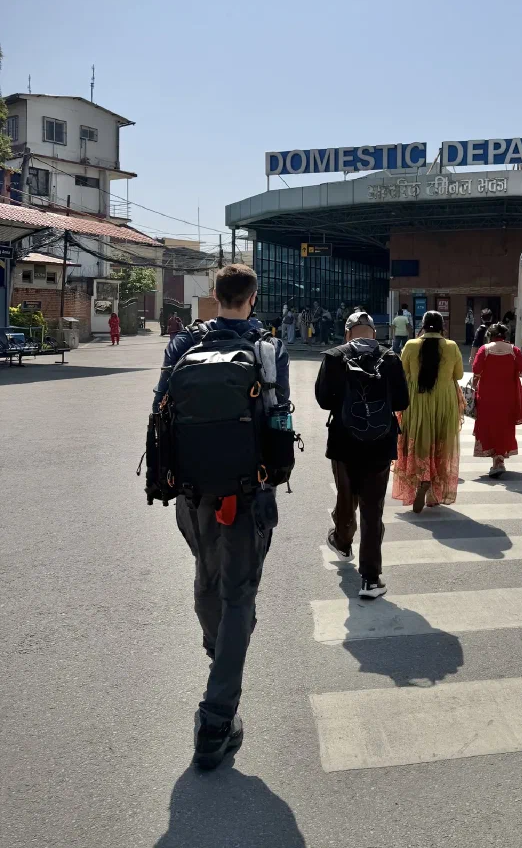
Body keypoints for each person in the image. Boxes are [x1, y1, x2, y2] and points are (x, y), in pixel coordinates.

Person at [152, 264, 290, 769]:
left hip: (193, 490)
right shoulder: (267, 348)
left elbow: (160, 410)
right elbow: (280, 417)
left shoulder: (182, 344)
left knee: (207, 577)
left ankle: (220, 652)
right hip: (248, 489)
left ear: (213, 295)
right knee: (239, 595)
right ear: (252, 298)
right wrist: (273, 480)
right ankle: (216, 719)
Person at [315, 310, 409, 599]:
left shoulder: (334, 356)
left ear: (347, 333)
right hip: (380, 443)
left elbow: (323, 400)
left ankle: (342, 542)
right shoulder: (390, 358)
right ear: (374, 333)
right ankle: (370, 579)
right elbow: (402, 401)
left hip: (343, 441)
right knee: (372, 509)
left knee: (346, 497)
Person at [393, 310, 463, 512]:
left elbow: (403, 372)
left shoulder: (411, 345)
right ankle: (433, 492)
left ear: (422, 325)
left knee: (419, 444)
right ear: (442, 326)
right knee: (441, 444)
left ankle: (421, 481)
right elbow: (458, 375)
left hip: (417, 402)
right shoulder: (451, 346)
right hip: (444, 402)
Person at [472, 323, 522, 478]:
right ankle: (500, 458)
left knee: (489, 426)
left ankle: (496, 460)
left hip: (487, 398)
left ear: (490, 335)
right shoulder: (514, 350)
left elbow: (476, 372)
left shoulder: (484, 350)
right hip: (509, 398)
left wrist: (474, 387)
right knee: (505, 427)